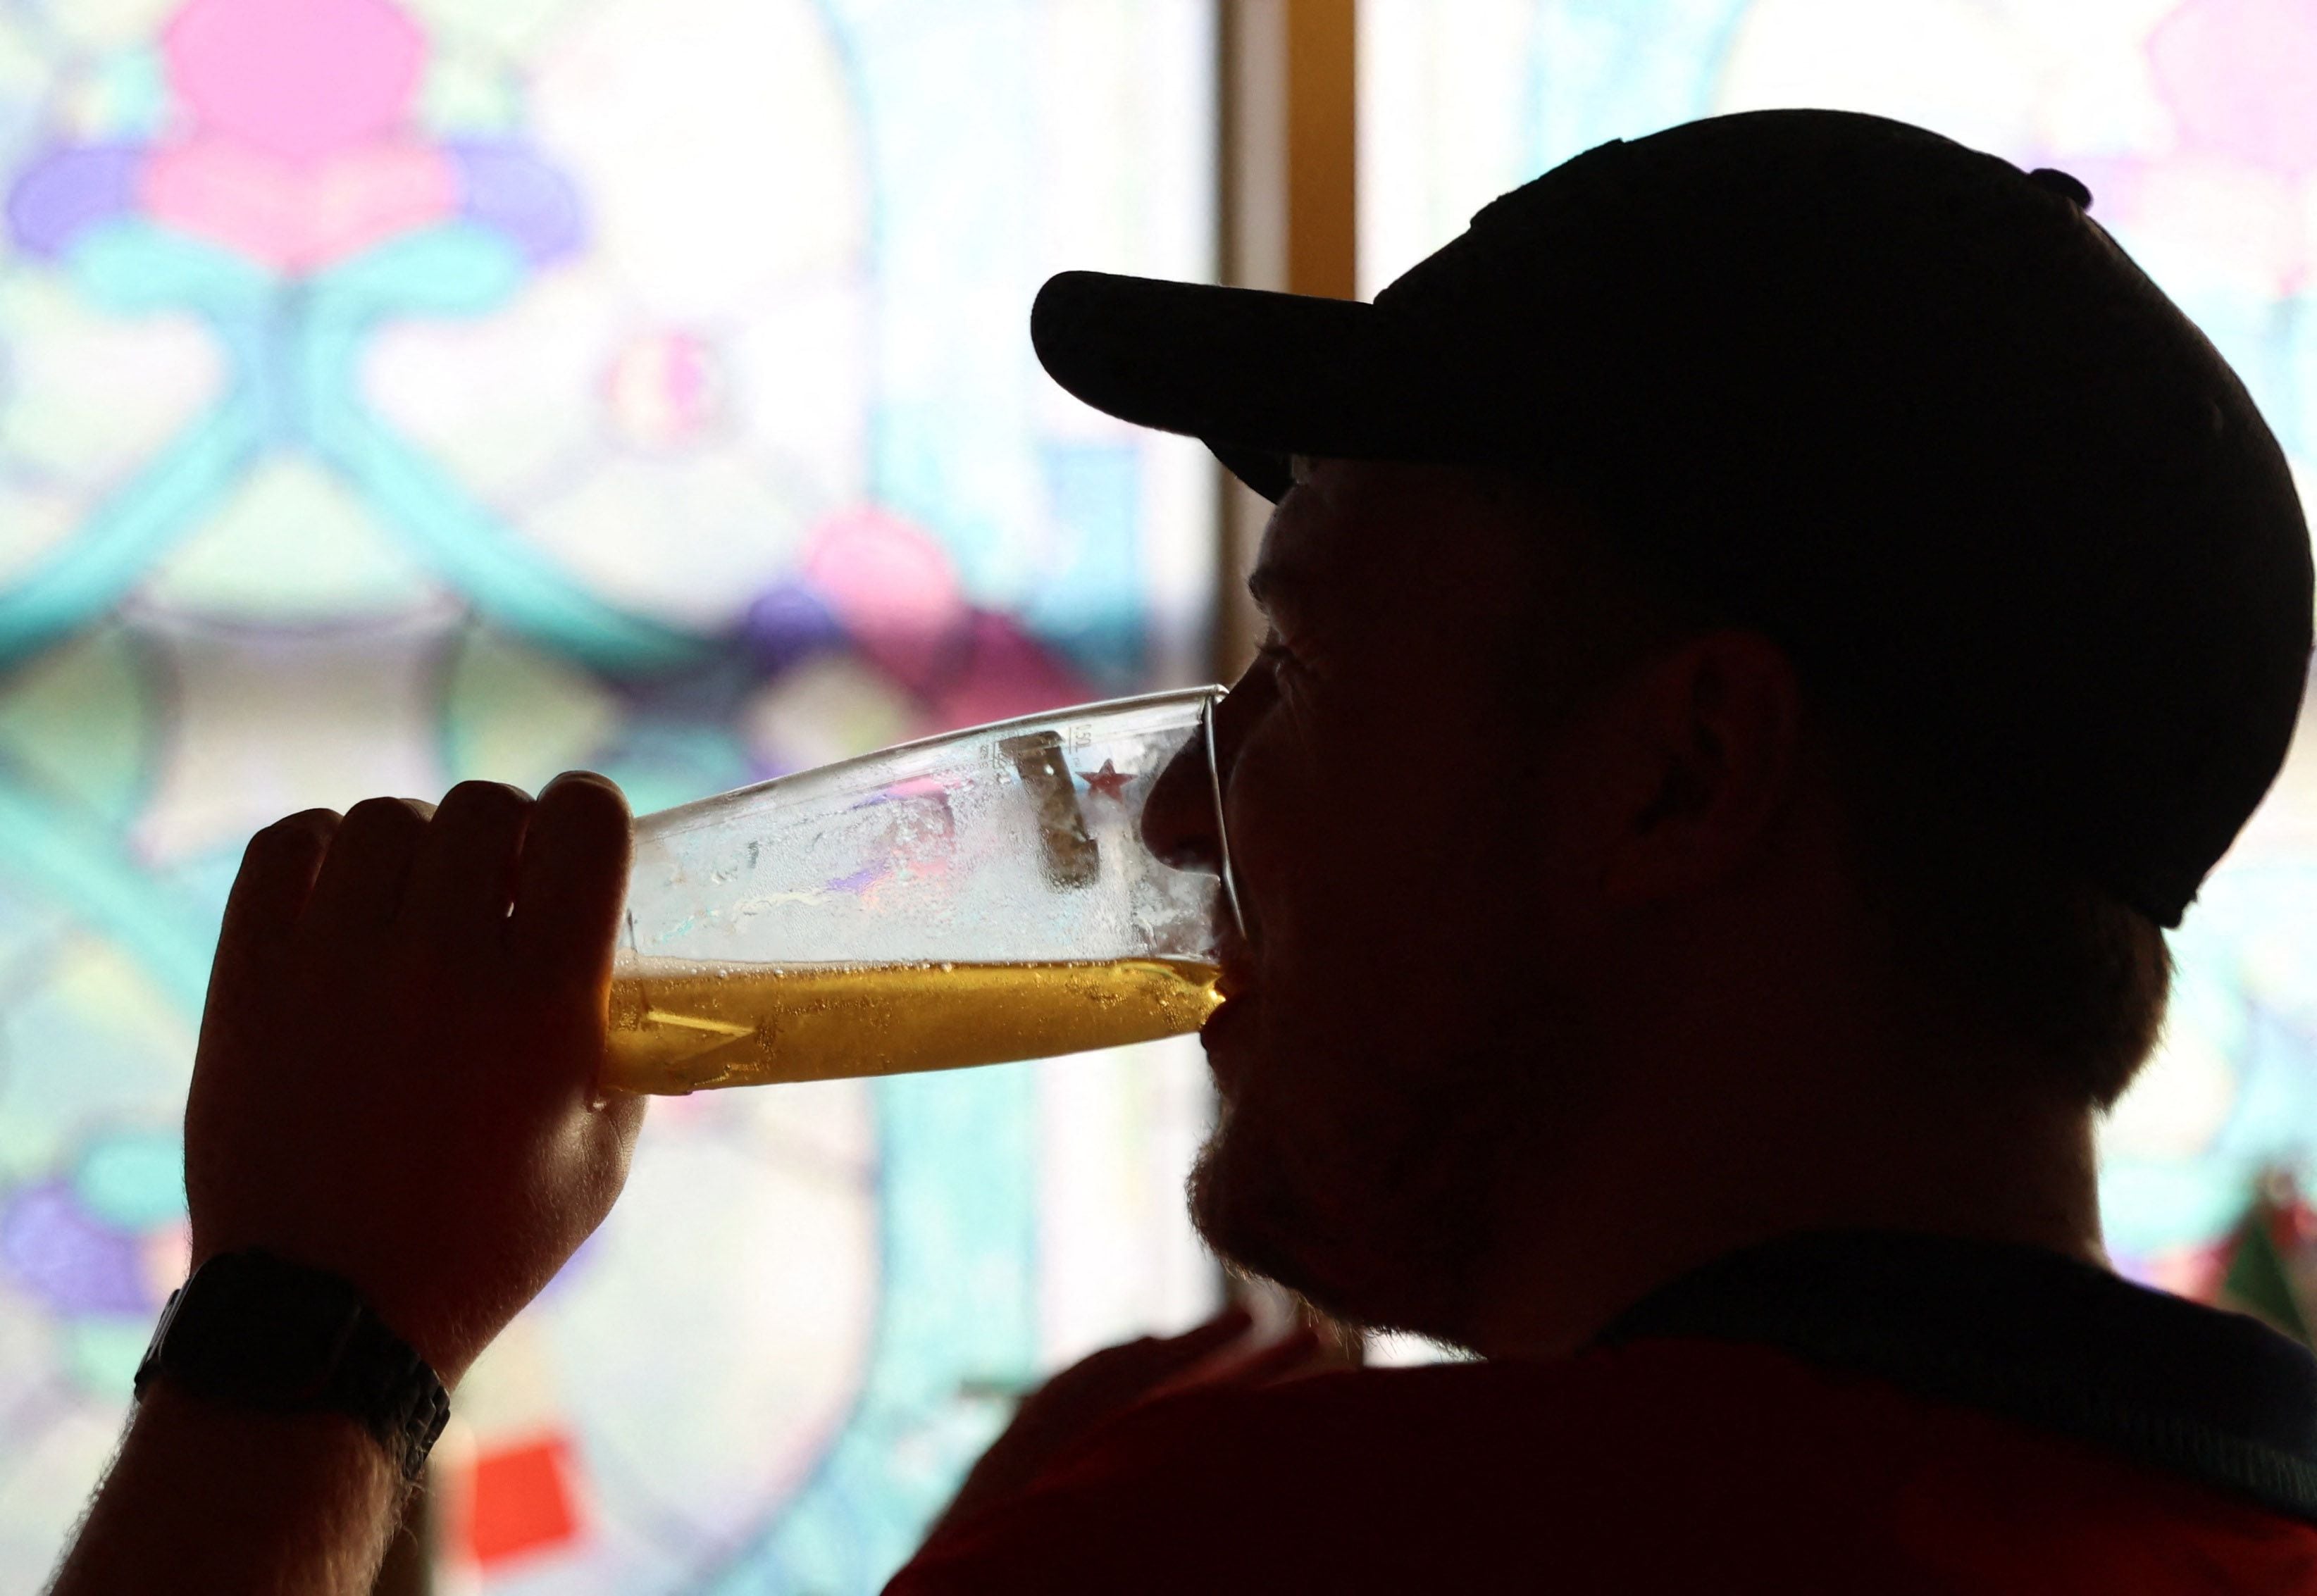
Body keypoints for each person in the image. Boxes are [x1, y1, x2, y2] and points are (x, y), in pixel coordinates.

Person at [46, 108, 2317, 1593]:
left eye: (1301, 676)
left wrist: (307, 1330)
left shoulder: (1293, 1548)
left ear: (1675, 775)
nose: (1152, 804)